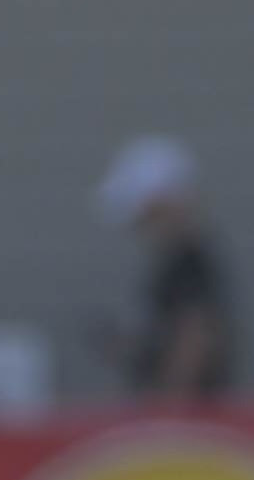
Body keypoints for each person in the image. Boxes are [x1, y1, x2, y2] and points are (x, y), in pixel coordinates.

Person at [97, 136, 238, 400]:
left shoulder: (188, 262)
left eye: (144, 216)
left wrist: (168, 402)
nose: (140, 228)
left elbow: (194, 337)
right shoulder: (176, 262)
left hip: (186, 421)